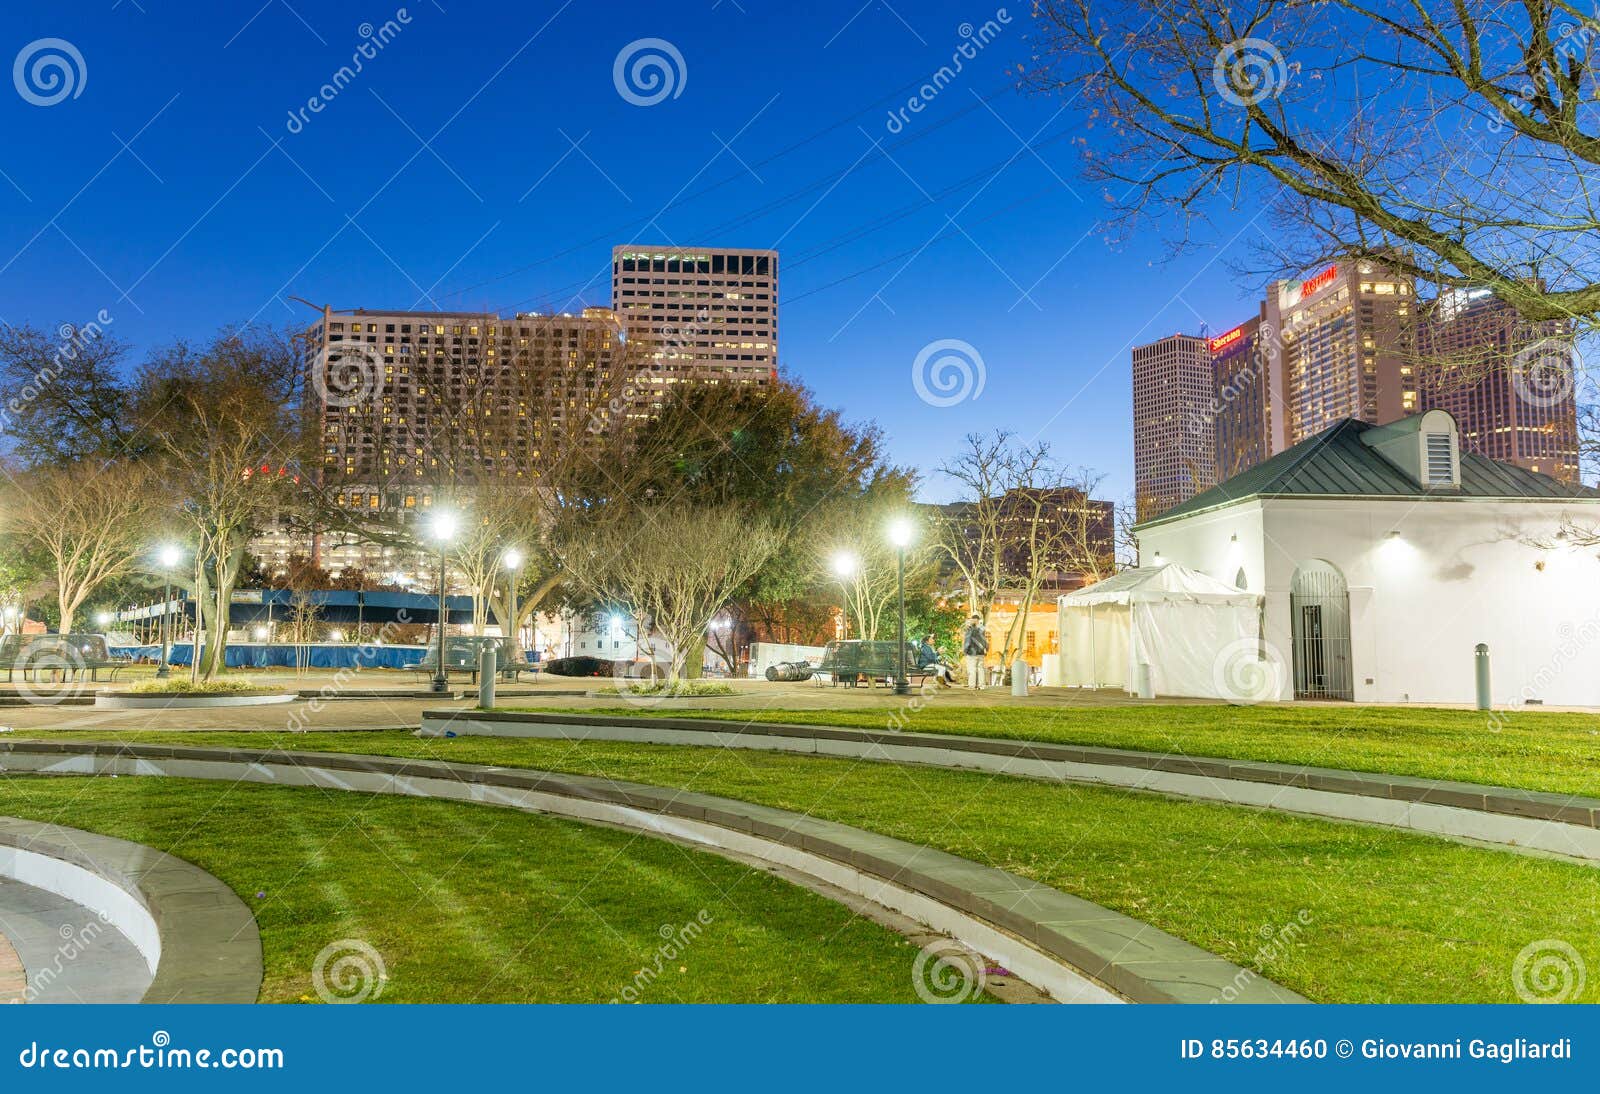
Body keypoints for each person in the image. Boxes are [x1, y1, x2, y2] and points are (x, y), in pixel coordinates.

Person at [961, 614, 989, 690]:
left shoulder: (971, 629)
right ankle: (981, 686)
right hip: (981, 652)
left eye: (972, 619)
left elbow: (968, 640)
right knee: (980, 669)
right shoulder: (983, 628)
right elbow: (985, 640)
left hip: (972, 652)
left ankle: (972, 685)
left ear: (975, 620)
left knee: (971, 669)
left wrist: (965, 650)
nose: (971, 621)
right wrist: (986, 649)